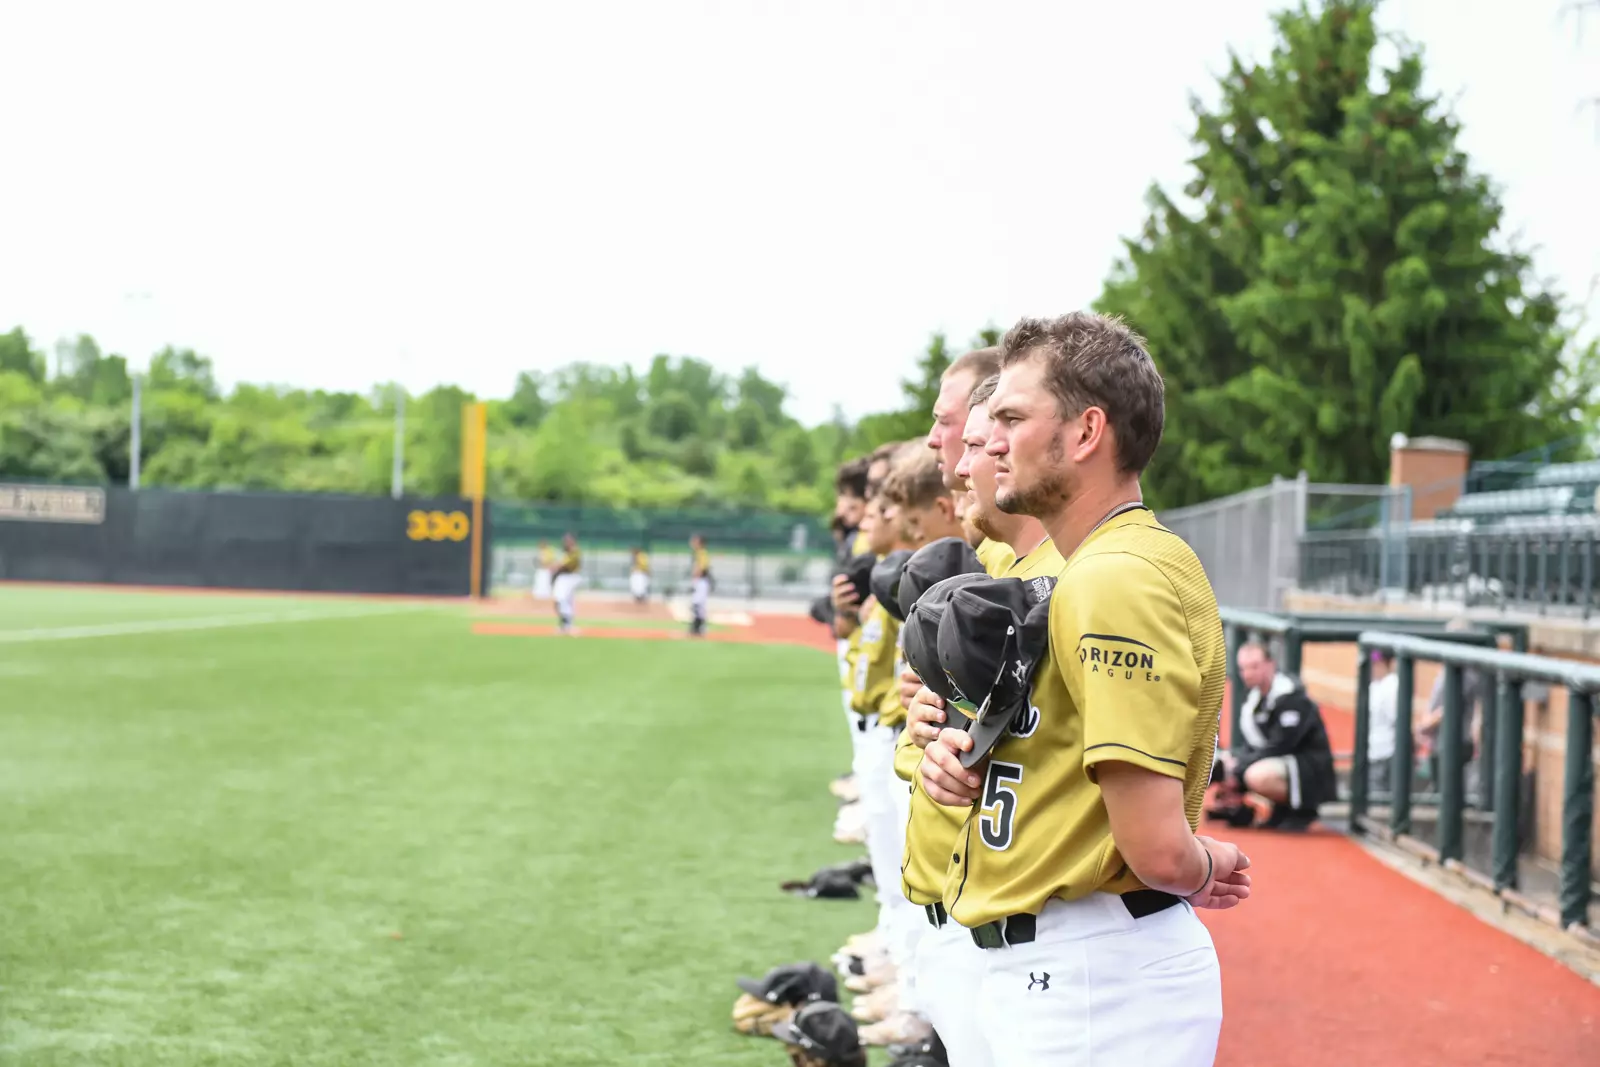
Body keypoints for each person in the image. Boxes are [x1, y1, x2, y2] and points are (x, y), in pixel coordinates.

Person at [918, 312, 1250, 1067]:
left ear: (1086, 431)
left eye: (1011, 416)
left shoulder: (1114, 574)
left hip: (1096, 972)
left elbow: (1156, 846)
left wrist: (1203, 866)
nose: (990, 439)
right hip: (1059, 965)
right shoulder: (1086, 566)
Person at [895, 371, 1063, 1066]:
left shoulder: (1083, 575)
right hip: (983, 915)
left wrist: (1195, 865)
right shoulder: (1000, 566)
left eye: (969, 440)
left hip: (1050, 938)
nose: (957, 462)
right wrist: (929, 742)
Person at [849, 444, 967, 1047]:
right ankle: (913, 990)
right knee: (905, 874)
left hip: (933, 750)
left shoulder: (977, 562)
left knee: (933, 892)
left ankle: (921, 1010)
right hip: (903, 736)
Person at [1210, 642, 1336, 831]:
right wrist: (1231, 764)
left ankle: (1302, 811)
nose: (1248, 673)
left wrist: (1239, 771)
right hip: (1281, 762)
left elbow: (1282, 745)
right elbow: (1254, 745)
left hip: (1309, 770)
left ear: (1270, 664)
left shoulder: (1291, 696)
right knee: (1223, 762)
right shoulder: (1254, 699)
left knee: (1256, 775)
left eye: (1254, 666)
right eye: (1243, 668)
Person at [1367, 649, 1398, 796]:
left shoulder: (1392, 685)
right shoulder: (1374, 685)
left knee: (1381, 800)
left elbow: (1398, 719)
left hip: (1387, 753)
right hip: (1373, 752)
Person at [551, 532, 582, 635]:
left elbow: (563, 564)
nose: (565, 542)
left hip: (570, 577)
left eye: (568, 540)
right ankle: (566, 625)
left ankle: (566, 625)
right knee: (565, 601)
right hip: (563, 577)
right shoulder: (564, 551)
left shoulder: (574, 551)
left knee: (562, 599)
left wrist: (555, 566)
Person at [688, 534, 713, 637]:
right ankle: (697, 626)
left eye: (695, 541)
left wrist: (695, 578)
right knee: (697, 604)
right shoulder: (698, 553)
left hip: (702, 581)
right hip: (700, 581)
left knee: (698, 604)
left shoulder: (702, 553)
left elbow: (701, 568)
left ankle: (699, 626)